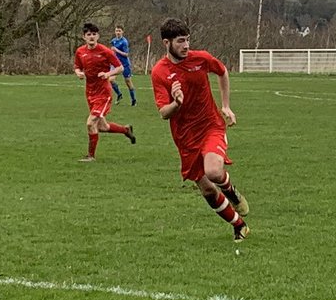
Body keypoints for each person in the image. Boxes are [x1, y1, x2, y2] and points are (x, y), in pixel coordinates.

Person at [151, 18, 251, 242]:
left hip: (210, 125)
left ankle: (232, 192)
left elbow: (222, 71)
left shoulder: (201, 58)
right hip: (185, 137)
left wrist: (225, 105)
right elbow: (163, 113)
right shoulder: (159, 72)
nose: (186, 46)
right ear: (166, 43)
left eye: (187, 40)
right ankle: (239, 225)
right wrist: (176, 102)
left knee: (214, 171)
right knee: (206, 189)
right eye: (180, 41)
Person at [73, 22, 136, 162]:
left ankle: (91, 156)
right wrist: (79, 73)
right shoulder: (80, 52)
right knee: (102, 126)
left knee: (90, 123)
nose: (91, 37)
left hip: (103, 93)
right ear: (84, 37)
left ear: (98, 36)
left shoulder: (105, 51)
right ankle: (126, 130)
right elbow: (77, 66)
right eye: (88, 34)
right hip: (90, 92)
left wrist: (108, 74)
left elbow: (120, 68)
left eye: (94, 34)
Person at [109, 25, 138, 106]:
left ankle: (133, 100)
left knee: (128, 82)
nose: (118, 32)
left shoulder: (124, 42)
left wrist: (116, 50)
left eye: (119, 31)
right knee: (111, 79)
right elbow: (112, 51)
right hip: (116, 64)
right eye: (116, 31)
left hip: (125, 64)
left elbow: (126, 54)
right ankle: (119, 94)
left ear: (122, 32)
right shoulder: (113, 41)